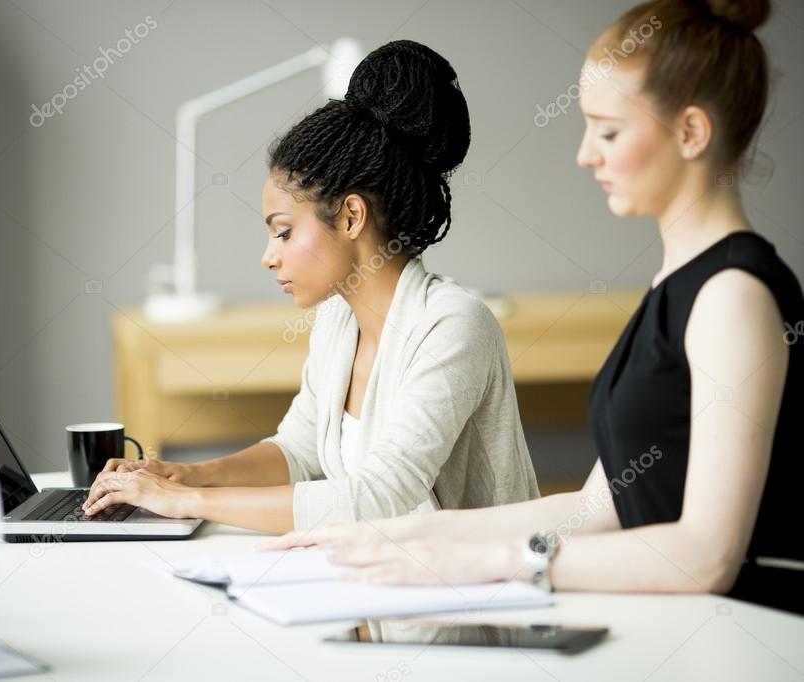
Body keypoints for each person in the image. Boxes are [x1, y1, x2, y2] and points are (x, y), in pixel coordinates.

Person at [265, 0, 804, 615]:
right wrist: (402, 535)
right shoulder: (679, 289)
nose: (585, 154)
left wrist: (496, 561)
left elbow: (708, 555)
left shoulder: (734, 296)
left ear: (690, 132)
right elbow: (600, 508)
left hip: (755, 631)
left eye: (608, 130)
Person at [82, 40, 539, 533]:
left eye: (283, 231)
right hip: (373, 589)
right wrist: (188, 474)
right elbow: (298, 451)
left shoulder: (452, 325)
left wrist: (188, 501)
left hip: (469, 604)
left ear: (350, 216)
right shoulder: (338, 319)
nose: (268, 256)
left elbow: (380, 494)